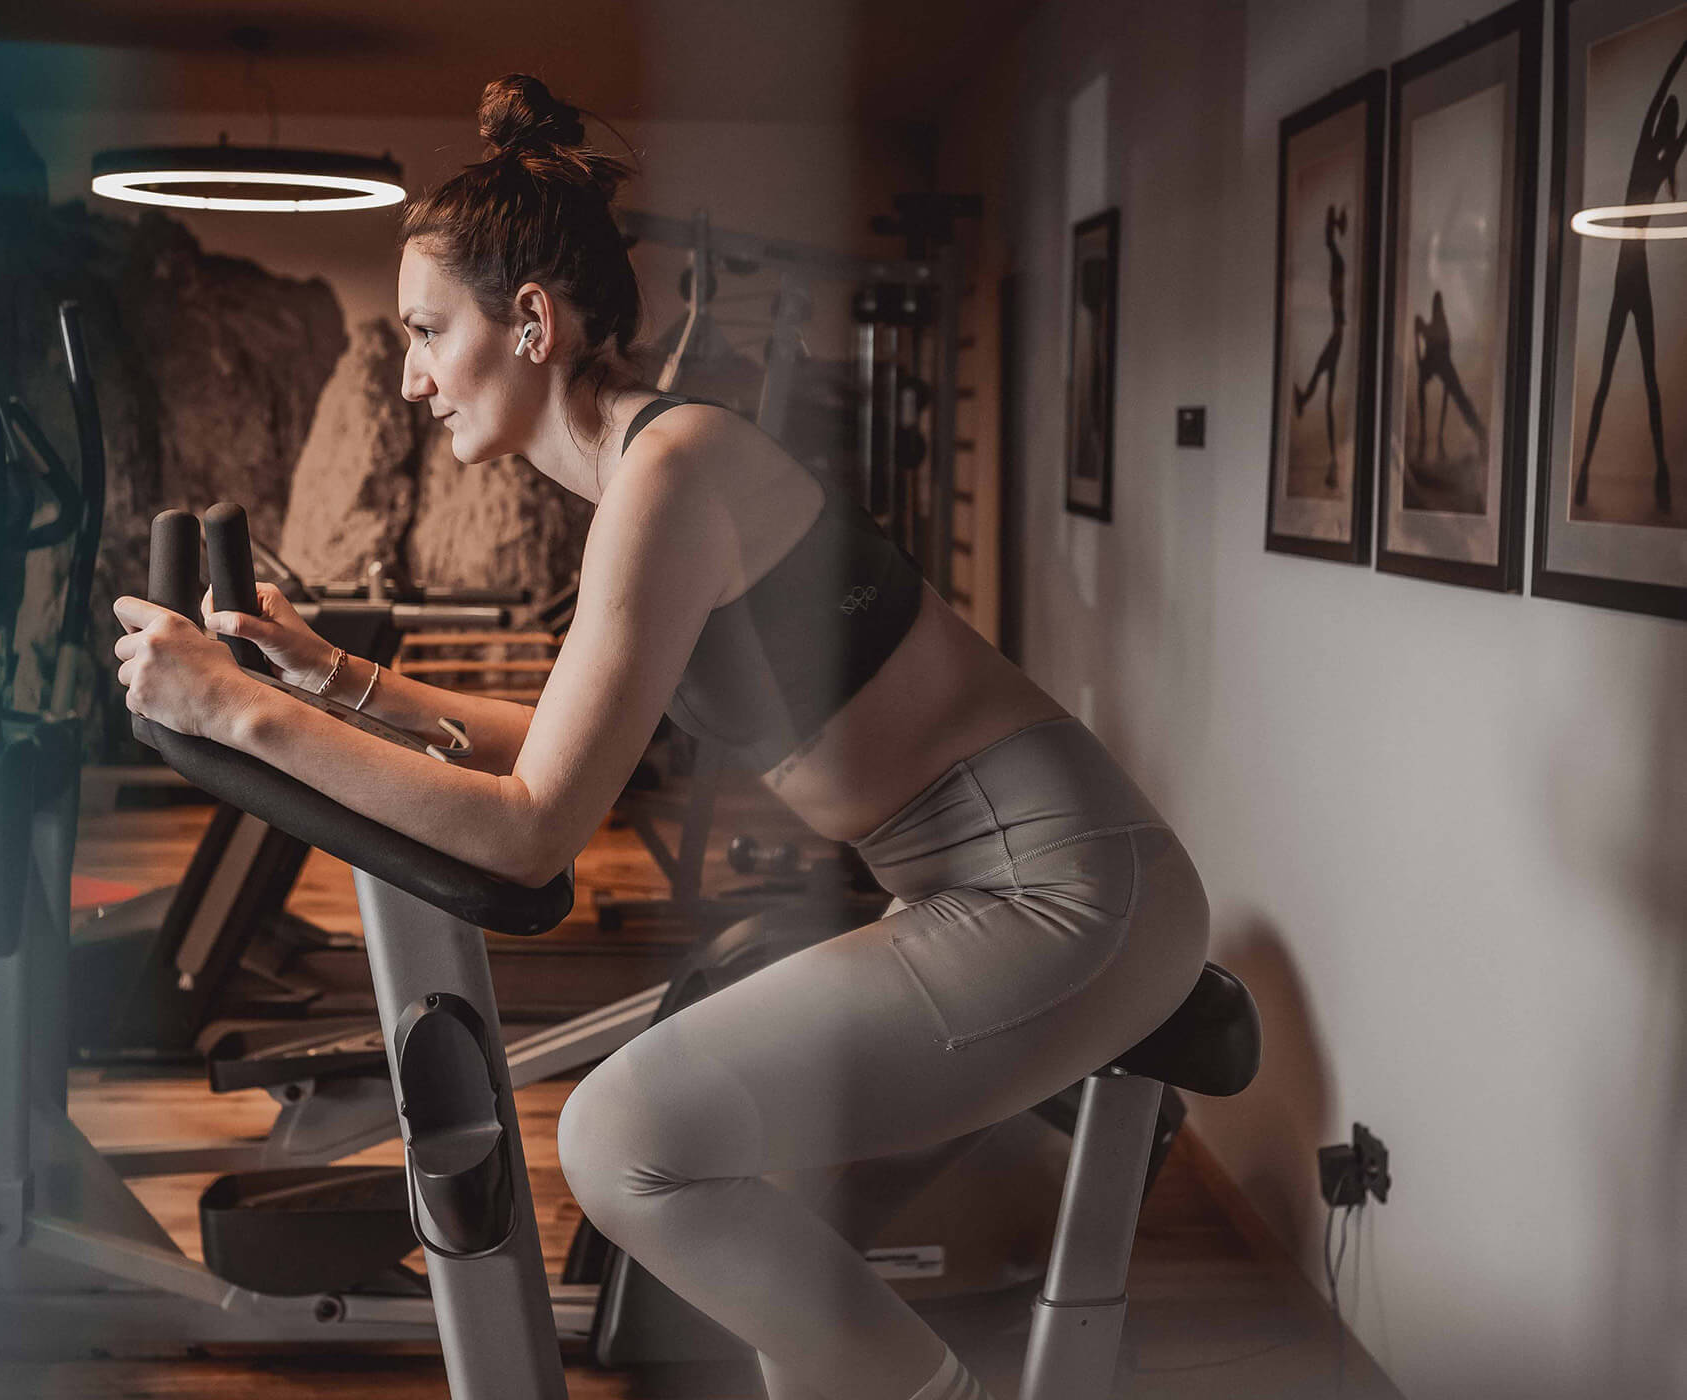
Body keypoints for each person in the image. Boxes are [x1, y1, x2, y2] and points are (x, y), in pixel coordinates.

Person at [113, 75, 1210, 1400]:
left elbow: (531, 830)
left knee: (623, 1134)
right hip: (991, 885)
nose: (406, 376)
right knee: (764, 1215)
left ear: (529, 321)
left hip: (1067, 892)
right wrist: (333, 677)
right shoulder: (650, 471)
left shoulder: (672, 473)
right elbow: (564, 743)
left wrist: (233, 706)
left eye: (422, 331)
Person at [1571, 36, 1686, 516]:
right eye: (1664, 119)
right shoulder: (1653, 156)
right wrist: (1681, 50)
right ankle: (1583, 473)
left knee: (1648, 378)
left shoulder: (1662, 161)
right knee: (1610, 380)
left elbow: (1679, 126)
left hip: (1631, 272)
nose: (1663, 122)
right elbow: (1662, 92)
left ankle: (1659, 472)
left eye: (1667, 120)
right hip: (1626, 273)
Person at [1292, 203, 1347, 488]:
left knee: (1320, 378)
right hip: (1338, 333)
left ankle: (1333, 462)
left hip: (1337, 334)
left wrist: (1334, 222)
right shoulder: (1336, 265)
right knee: (1321, 381)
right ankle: (1333, 461)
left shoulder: (1338, 264)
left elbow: (1329, 242)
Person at [1412, 288, 1485, 470]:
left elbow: (1435, 347)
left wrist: (1420, 333)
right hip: (1436, 364)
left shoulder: (1439, 329)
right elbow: (1422, 359)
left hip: (1443, 365)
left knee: (1461, 399)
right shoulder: (1432, 329)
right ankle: (1424, 439)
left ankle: (1479, 432)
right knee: (1427, 391)